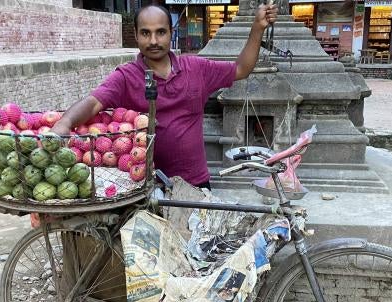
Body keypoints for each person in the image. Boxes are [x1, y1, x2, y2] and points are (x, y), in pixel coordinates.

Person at [50, 4, 278, 190]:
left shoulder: (196, 68)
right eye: (145, 33)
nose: (153, 41)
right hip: (147, 185)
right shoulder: (126, 76)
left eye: (160, 32)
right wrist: (65, 123)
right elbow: (93, 103)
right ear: (136, 36)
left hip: (196, 184)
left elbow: (241, 69)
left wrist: (257, 28)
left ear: (171, 33)